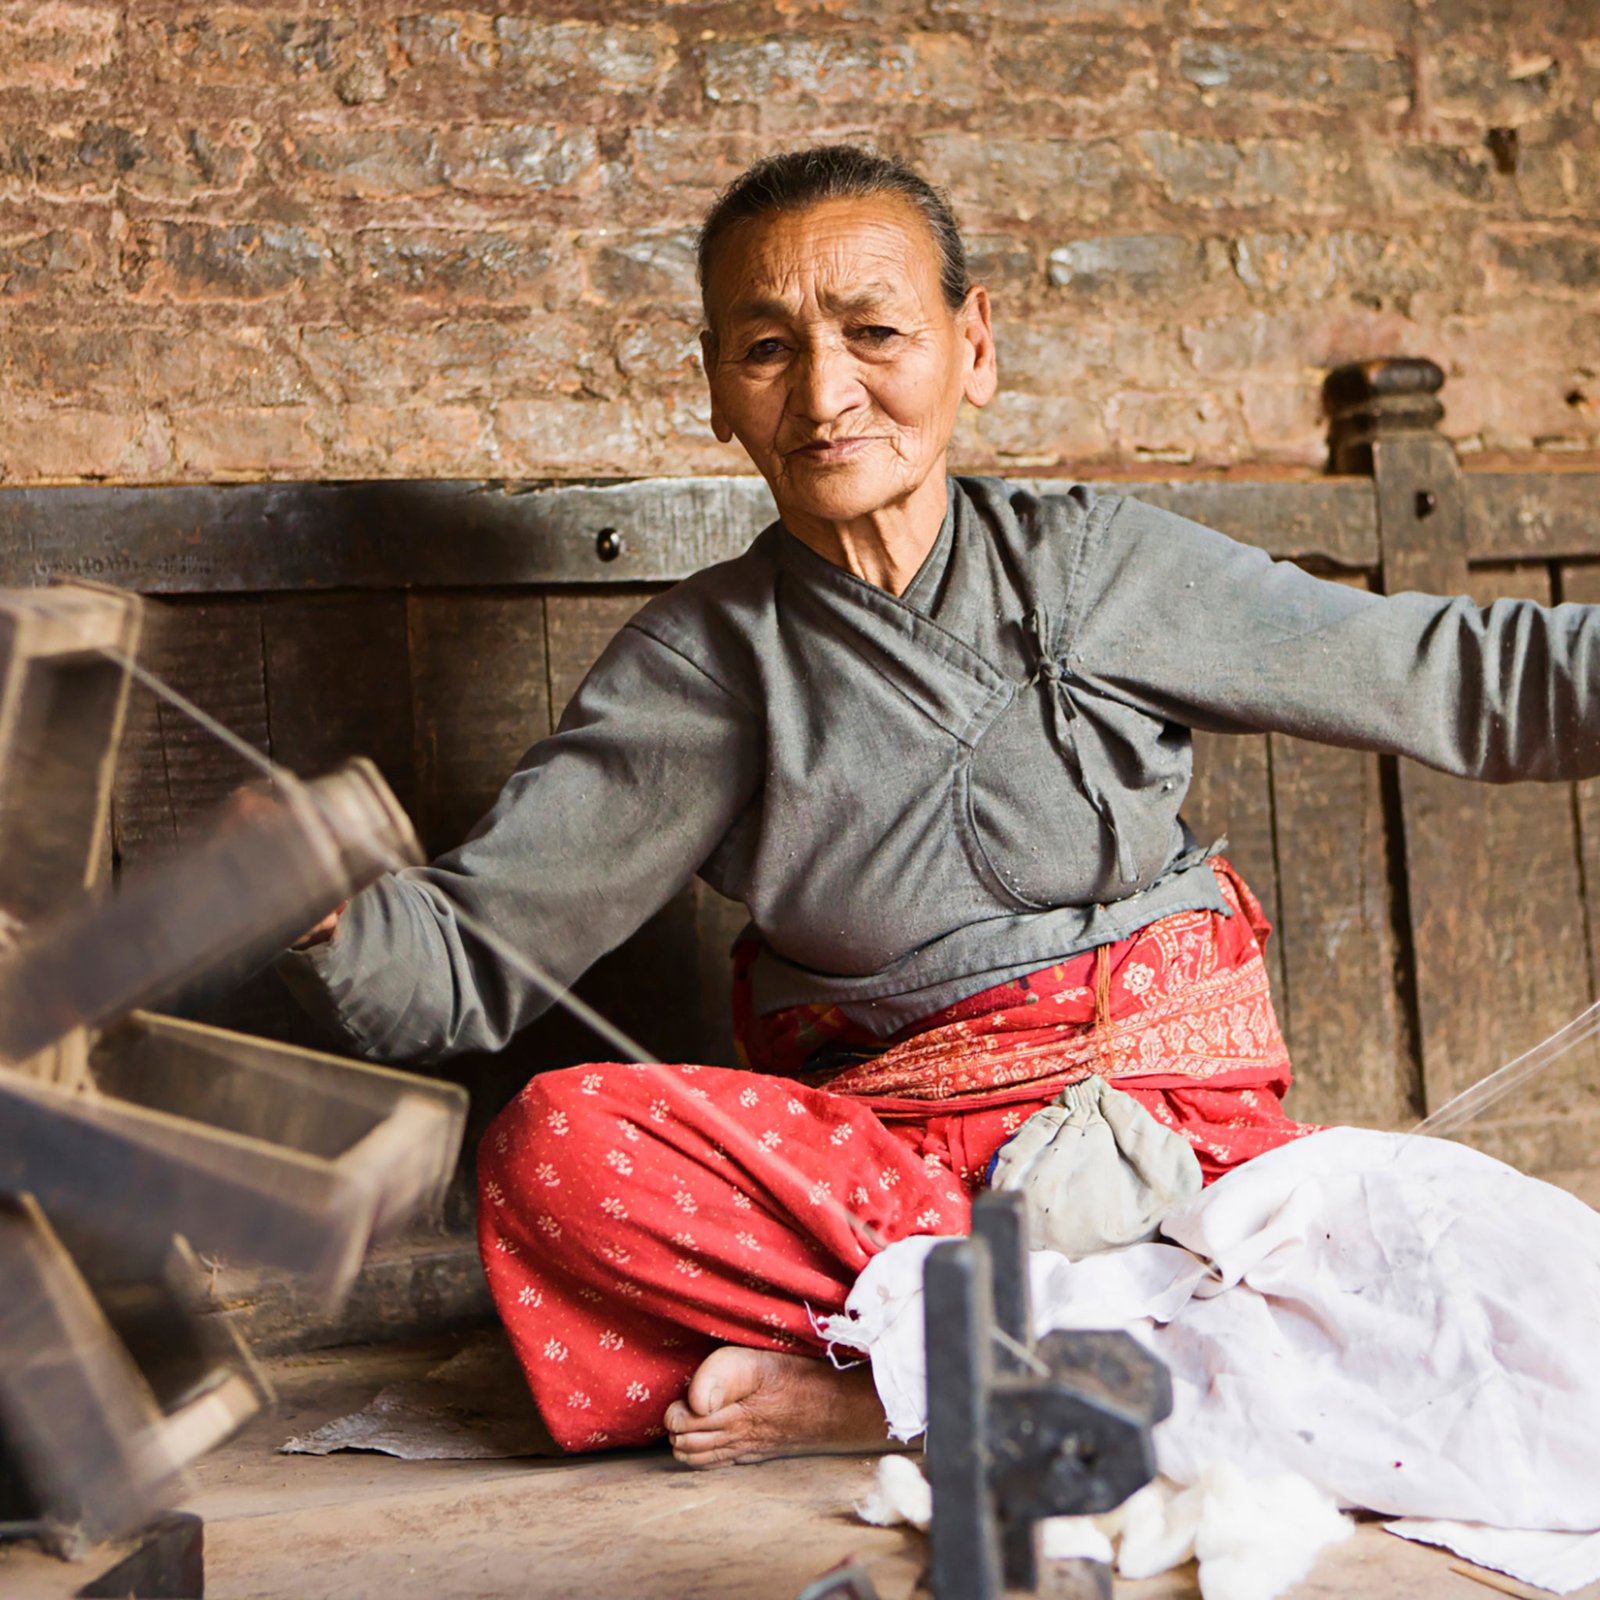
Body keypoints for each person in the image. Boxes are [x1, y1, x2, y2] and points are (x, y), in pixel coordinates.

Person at [281, 144, 1600, 1469]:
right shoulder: (706, 664)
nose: (825, 392)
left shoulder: (1095, 569)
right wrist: (325, 931)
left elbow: (1454, 675)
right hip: (895, 1193)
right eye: (765, 349)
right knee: (556, 1146)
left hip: (1170, 1157)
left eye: (875, 333)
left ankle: (898, 1387)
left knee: (1477, 1305)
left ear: (973, 346)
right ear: (715, 390)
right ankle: (1047, 1358)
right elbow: (477, 944)